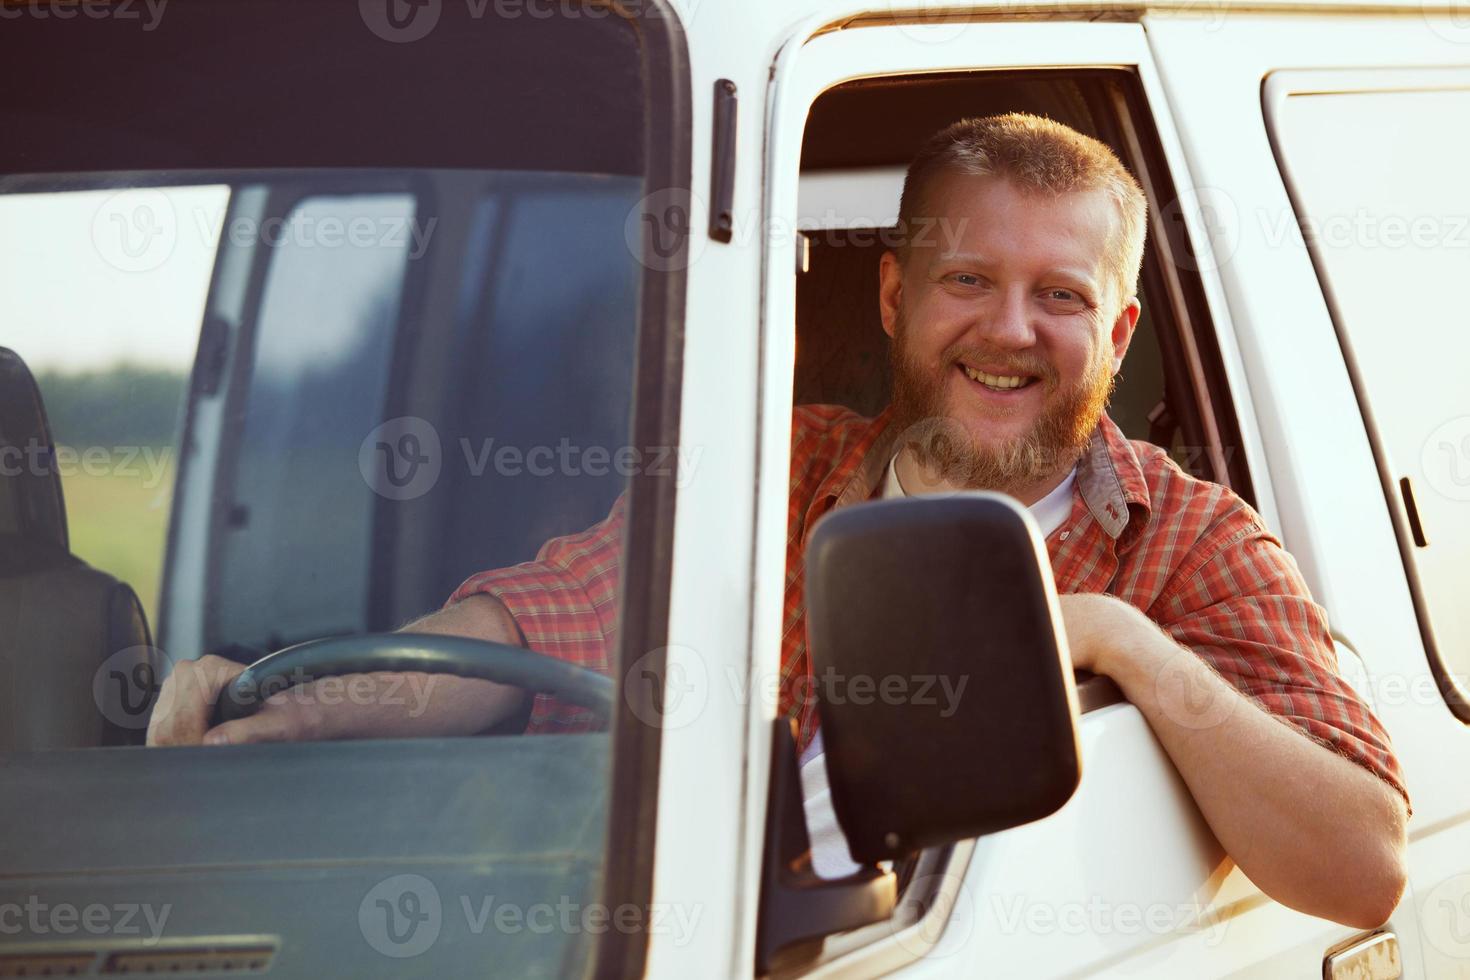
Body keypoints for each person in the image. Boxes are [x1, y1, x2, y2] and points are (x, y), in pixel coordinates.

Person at [149, 113, 1409, 928]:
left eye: (1060, 294)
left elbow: (1365, 864)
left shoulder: (1184, 541)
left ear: (1120, 333)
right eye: (967, 279)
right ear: (895, 293)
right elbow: (544, 615)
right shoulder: (776, 466)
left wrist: (1111, 641)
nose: (1010, 329)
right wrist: (297, 715)